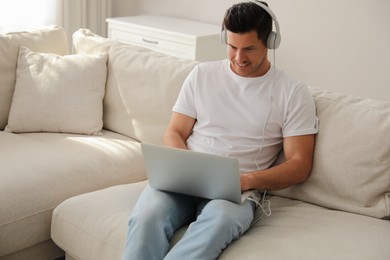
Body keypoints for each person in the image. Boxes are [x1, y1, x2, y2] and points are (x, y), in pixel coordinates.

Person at [122, 1, 318, 259]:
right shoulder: (201, 75)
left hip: (238, 190)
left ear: (270, 42)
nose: (239, 58)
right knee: (146, 216)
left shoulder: (292, 92)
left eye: (249, 49)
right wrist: (184, 165)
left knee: (220, 222)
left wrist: (245, 181)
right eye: (232, 47)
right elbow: (174, 132)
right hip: (186, 177)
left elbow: (299, 164)